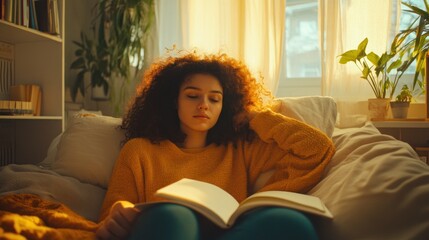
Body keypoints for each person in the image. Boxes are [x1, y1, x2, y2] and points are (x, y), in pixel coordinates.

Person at [96, 51, 335, 240]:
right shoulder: (140, 150)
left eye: (215, 99)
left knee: (290, 221)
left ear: (225, 105)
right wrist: (121, 211)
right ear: (173, 101)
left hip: (232, 234)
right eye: (192, 96)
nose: (204, 105)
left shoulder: (239, 148)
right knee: (175, 214)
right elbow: (113, 212)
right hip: (170, 229)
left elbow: (316, 148)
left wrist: (253, 116)